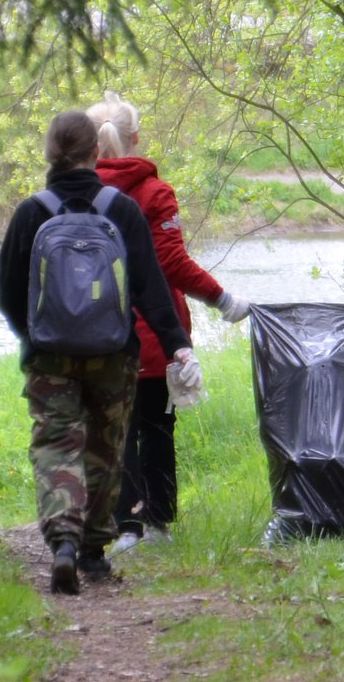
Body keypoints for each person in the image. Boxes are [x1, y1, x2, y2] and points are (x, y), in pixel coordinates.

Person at [0, 110, 199, 596]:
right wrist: (177, 345)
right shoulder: (120, 209)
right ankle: (92, 550)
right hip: (114, 351)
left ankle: (63, 541)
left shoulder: (32, 211)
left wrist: (33, 335)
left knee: (57, 443)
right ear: (95, 152)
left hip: (49, 354)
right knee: (106, 448)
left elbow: (6, 289)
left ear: (49, 152)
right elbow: (150, 285)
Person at [88, 91, 252, 554]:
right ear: (136, 138)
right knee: (156, 430)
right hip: (156, 336)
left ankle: (125, 528)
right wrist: (223, 299)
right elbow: (171, 264)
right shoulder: (155, 193)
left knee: (114, 430)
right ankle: (158, 524)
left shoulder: (74, 193)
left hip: (95, 333)